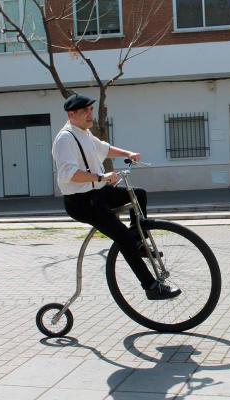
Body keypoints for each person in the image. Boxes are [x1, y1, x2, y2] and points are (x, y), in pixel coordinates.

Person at [51, 93, 181, 300]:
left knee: (138, 194)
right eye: (85, 110)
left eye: (91, 109)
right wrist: (101, 177)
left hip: (98, 192)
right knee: (123, 237)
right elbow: (69, 174)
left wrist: (128, 153)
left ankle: (139, 241)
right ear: (72, 114)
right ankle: (151, 286)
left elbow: (104, 148)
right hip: (82, 202)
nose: (90, 113)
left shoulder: (84, 133)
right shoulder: (65, 139)